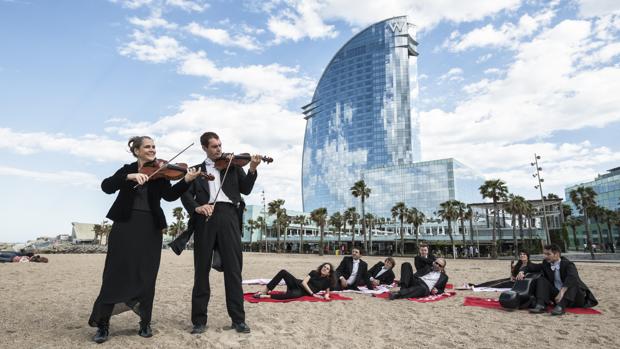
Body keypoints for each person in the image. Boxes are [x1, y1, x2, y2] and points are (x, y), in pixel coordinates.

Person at [88, 136, 201, 343]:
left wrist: (186, 181)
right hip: (125, 225)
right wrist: (129, 176)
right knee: (114, 272)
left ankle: (144, 322)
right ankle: (103, 324)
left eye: (154, 147)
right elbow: (106, 186)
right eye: (147, 147)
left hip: (150, 227)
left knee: (147, 273)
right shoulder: (127, 169)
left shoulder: (162, 170)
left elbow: (169, 196)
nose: (152, 150)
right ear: (137, 151)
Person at [181, 132, 261, 335]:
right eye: (214, 146)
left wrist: (251, 169)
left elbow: (246, 189)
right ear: (204, 148)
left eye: (220, 145)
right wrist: (197, 208)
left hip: (229, 216)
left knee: (234, 270)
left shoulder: (233, 166)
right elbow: (186, 195)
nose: (219, 149)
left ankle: (238, 320)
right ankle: (199, 321)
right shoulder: (197, 170)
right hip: (205, 217)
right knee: (201, 271)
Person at [522, 244, 598, 315]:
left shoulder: (568, 264)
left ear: (557, 254)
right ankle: (541, 305)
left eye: (548, 254)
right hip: (557, 297)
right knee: (541, 279)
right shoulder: (546, 264)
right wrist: (522, 271)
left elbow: (572, 277)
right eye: (544, 254)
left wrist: (562, 292)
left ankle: (561, 307)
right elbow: (533, 267)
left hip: (574, 298)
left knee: (574, 281)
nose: (545, 256)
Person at [253, 263, 336, 300]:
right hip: (298, 284)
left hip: (302, 292)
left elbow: (327, 291)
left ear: (329, 273)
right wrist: (313, 294)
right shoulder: (314, 272)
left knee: (292, 295)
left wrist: (327, 296)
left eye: (327, 268)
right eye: (324, 266)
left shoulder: (327, 281)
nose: (325, 268)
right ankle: (265, 291)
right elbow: (304, 282)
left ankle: (266, 296)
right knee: (283, 272)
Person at [469, 250, 535, 289]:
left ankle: (480, 288)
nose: (522, 255)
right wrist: (512, 275)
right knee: (495, 281)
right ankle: (476, 286)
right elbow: (513, 273)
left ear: (527, 256)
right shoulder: (519, 264)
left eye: (524, 254)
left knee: (499, 284)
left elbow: (529, 277)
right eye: (521, 254)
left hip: (518, 283)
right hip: (512, 280)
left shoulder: (530, 265)